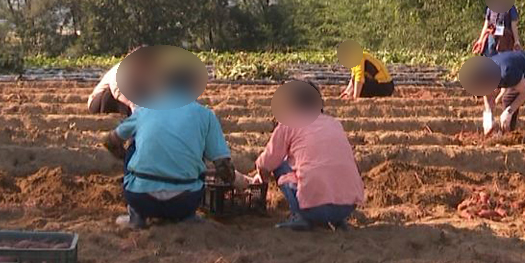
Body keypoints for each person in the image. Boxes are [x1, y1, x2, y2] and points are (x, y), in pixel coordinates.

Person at [100, 86, 233, 229]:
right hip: (185, 201)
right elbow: (223, 166)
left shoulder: (144, 110)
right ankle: (188, 217)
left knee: (134, 144)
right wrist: (233, 180)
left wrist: (126, 158)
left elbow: (109, 141)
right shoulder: (205, 115)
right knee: (199, 154)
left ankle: (136, 217)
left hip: (141, 199)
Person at [256, 81, 364, 231]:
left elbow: (266, 162)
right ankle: (338, 221)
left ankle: (300, 216)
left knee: (280, 165)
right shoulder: (334, 123)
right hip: (348, 206)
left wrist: (261, 178)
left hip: (315, 207)